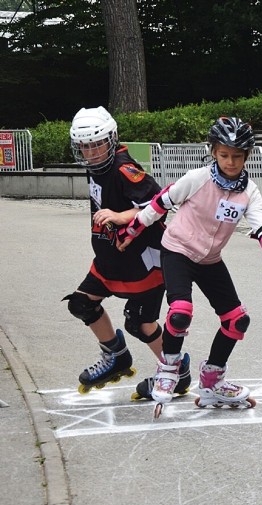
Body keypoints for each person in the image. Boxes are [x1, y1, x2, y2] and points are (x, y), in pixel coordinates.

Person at [118, 117, 262, 418]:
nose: (230, 161)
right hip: (178, 251)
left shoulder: (250, 192)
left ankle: (212, 379)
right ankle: (169, 367)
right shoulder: (197, 178)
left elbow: (261, 224)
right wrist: (131, 231)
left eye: (237, 156)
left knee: (237, 321)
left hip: (209, 260)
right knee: (180, 311)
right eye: (224, 155)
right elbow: (159, 203)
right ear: (213, 152)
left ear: (247, 156)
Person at [64, 106, 192, 399]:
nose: (92, 152)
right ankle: (117, 357)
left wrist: (122, 217)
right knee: (82, 304)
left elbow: (159, 204)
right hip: (111, 258)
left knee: (140, 322)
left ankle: (177, 373)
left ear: (111, 140)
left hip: (143, 261)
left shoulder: (124, 168)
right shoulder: (94, 167)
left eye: (97, 144)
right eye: (85, 147)